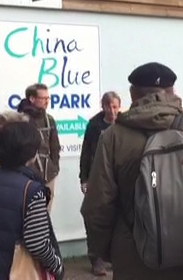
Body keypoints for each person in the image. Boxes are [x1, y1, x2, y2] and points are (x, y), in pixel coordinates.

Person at [81, 62, 183, 280]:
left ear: (133, 94)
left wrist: (112, 251)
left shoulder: (113, 138)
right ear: (173, 92)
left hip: (132, 259)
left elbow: (97, 206)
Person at [0, 122, 63, 280]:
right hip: (16, 272)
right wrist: (57, 266)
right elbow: (38, 242)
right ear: (32, 154)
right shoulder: (31, 190)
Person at [79, 91, 121, 276]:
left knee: (117, 219)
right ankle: (96, 258)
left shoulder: (124, 124)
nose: (112, 111)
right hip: (97, 177)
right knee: (94, 217)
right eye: (108, 107)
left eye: (115, 107)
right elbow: (86, 153)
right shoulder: (94, 125)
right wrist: (84, 178)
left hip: (118, 178)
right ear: (102, 107)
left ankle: (113, 257)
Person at [17, 83, 61, 211]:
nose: (47, 101)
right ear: (32, 99)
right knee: (27, 208)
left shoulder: (49, 119)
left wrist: (54, 166)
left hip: (48, 172)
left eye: (48, 98)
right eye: (43, 98)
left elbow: (55, 145)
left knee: (46, 210)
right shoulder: (21, 119)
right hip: (27, 172)